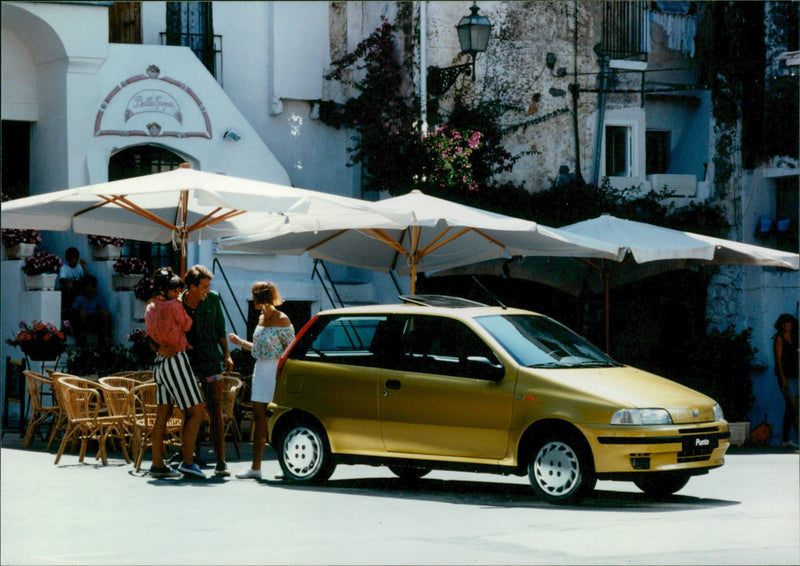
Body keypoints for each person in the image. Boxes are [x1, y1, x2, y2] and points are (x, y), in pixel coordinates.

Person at [145, 268, 207, 479]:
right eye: (175, 288)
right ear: (168, 289)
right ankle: (188, 461)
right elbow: (187, 325)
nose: (178, 290)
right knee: (197, 411)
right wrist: (180, 304)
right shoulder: (174, 305)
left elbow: (149, 335)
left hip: (160, 362)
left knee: (163, 413)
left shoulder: (151, 306)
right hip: (175, 360)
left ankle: (157, 464)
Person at [228, 281, 294, 480]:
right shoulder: (261, 317)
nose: (252, 299)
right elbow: (259, 349)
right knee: (259, 419)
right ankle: (255, 468)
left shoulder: (282, 319)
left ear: (261, 296)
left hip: (276, 371)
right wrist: (240, 343)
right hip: (261, 369)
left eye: (254, 295)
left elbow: (291, 348)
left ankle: (286, 466)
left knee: (279, 418)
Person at [180, 264, 234, 477]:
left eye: (208, 286)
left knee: (215, 411)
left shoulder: (213, 299)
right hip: (189, 364)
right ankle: (189, 457)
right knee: (190, 411)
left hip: (211, 361)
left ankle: (221, 462)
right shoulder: (178, 303)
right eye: (203, 286)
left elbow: (221, 329)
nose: (207, 290)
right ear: (192, 286)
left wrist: (227, 353)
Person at [773, 313, 799, 450]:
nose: (786, 325)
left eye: (788, 323)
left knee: (790, 408)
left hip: (796, 376)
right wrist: (782, 379)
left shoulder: (795, 338)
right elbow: (778, 361)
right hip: (787, 377)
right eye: (784, 323)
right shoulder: (779, 339)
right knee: (794, 408)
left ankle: (785, 439)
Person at [70, 275, 112, 345]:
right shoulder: (79, 299)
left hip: (94, 319)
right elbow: (73, 312)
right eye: (88, 286)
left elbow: (104, 310)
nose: (90, 289)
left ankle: (104, 338)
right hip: (82, 320)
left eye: (92, 287)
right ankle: (81, 338)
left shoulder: (98, 299)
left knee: (106, 315)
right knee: (82, 315)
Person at [58, 246, 87, 315]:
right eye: (72, 259)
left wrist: (84, 267)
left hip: (77, 286)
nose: (74, 261)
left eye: (76, 258)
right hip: (67, 287)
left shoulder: (79, 266)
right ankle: (68, 307)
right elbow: (62, 279)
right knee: (68, 286)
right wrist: (69, 282)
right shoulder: (64, 268)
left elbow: (85, 278)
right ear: (68, 259)